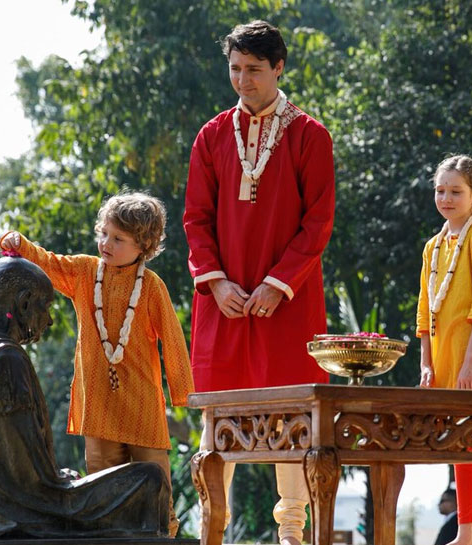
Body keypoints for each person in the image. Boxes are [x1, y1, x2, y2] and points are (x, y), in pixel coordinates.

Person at [183, 20, 335, 545]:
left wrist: (278, 283)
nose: (242, 80)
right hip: (223, 303)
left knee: (293, 415)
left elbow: (318, 223)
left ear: (279, 68)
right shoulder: (211, 135)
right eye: (234, 69)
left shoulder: (310, 135)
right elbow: (195, 219)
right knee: (218, 414)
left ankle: (292, 534)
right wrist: (217, 284)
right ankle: (211, 532)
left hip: (287, 305)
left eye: (253, 69)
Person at [0, 257, 171, 541]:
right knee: (149, 479)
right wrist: (59, 479)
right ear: (25, 303)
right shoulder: (4, 357)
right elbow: (30, 484)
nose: (49, 320)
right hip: (8, 516)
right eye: (46, 307)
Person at [0, 191, 194, 536]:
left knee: (154, 480)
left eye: (118, 238)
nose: (106, 243)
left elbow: (173, 341)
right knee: (101, 481)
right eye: (103, 233)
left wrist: (184, 394)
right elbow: (50, 262)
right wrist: (21, 245)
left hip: (142, 406)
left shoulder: (151, 286)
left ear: (143, 246)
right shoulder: (85, 273)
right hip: (98, 405)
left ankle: (164, 536)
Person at [417, 155, 472, 545]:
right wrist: (426, 364)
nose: (446, 198)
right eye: (440, 190)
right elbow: (423, 311)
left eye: (456, 191)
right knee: (457, 442)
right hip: (443, 357)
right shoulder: (433, 246)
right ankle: (466, 530)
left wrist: (469, 362)